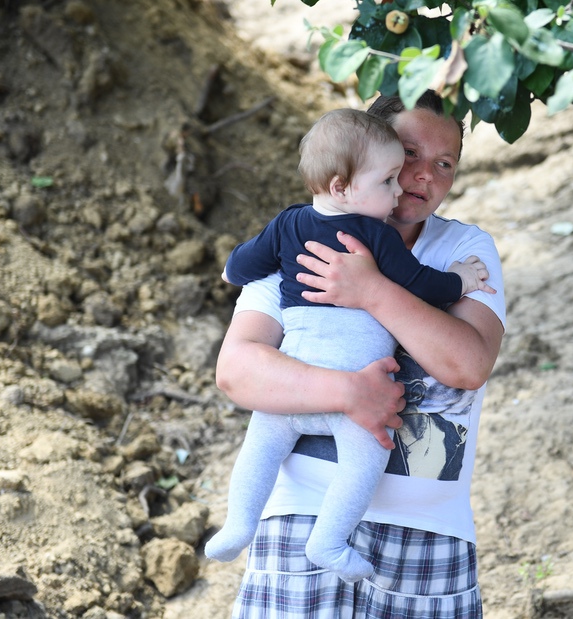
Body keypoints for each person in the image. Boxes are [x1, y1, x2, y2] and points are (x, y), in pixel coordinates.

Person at [214, 90, 506, 618]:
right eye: (409, 155)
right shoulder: (298, 241)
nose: (421, 177)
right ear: (369, 151)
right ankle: (239, 523)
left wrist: (369, 290)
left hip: (428, 529)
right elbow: (237, 371)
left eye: (445, 164)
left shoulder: (462, 251)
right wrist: (351, 394)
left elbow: (467, 365)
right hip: (301, 514)